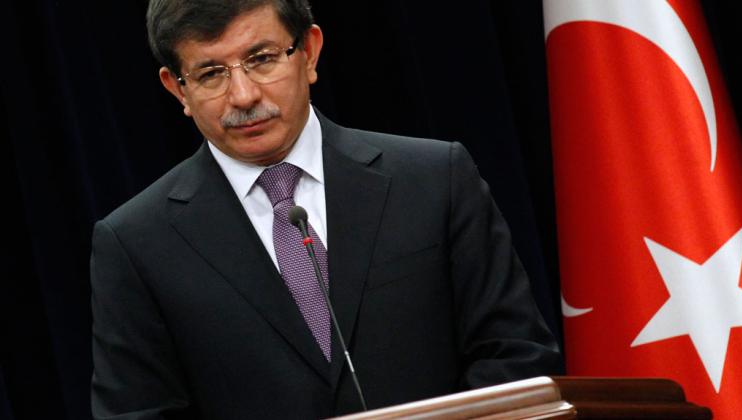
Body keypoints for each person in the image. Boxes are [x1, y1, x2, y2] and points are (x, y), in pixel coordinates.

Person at [90, 0, 562, 418]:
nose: (244, 95)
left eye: (262, 59)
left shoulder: (435, 179)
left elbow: (515, 357)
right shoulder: (136, 243)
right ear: (178, 89)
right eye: (211, 73)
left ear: (310, 52)